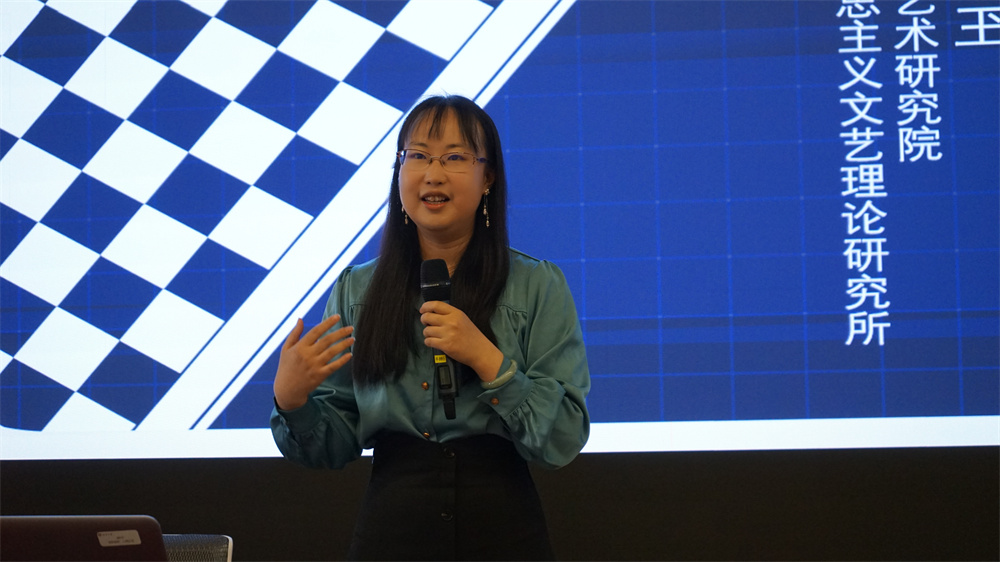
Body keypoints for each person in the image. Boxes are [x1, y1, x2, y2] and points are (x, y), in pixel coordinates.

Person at [270, 95, 590, 561]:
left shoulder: (537, 285)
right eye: (417, 156)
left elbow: (563, 437)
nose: (433, 174)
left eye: (455, 157)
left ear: (488, 177)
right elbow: (333, 445)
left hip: (502, 522)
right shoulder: (357, 290)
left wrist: (488, 360)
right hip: (392, 524)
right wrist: (292, 401)